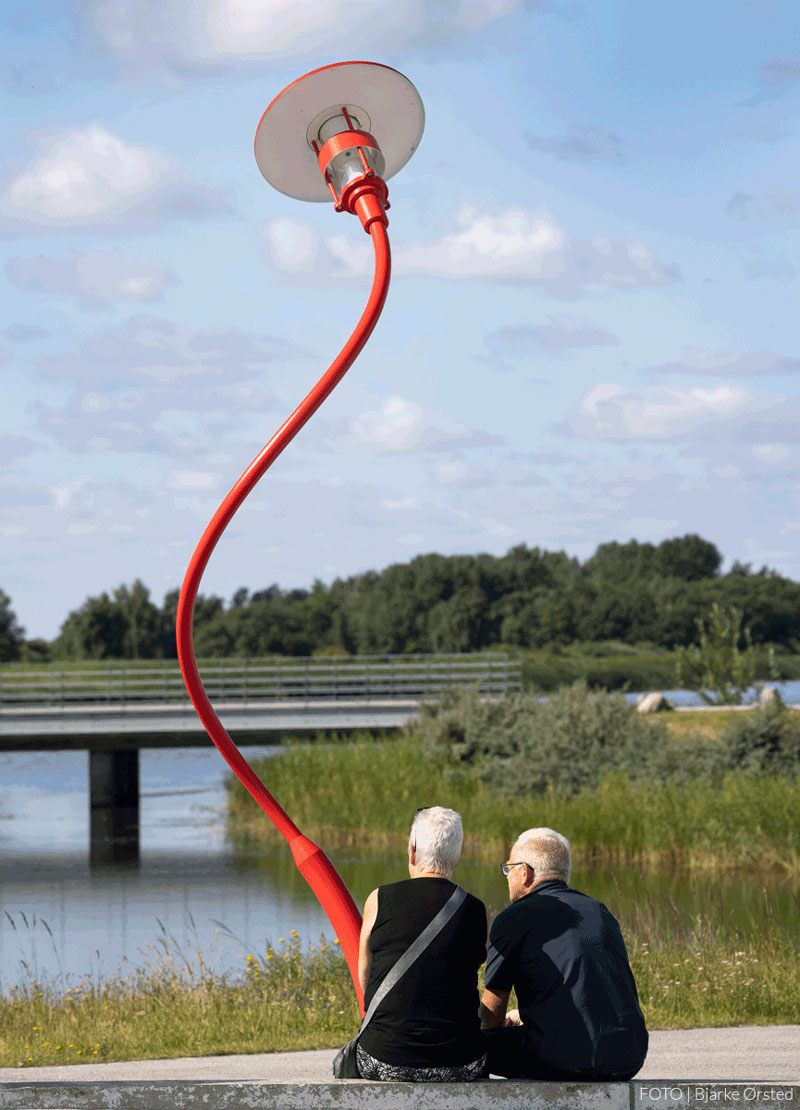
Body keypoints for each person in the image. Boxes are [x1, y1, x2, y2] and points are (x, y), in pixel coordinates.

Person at [480, 827, 648, 1080]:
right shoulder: (600, 912)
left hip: (564, 1060)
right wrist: (527, 1016)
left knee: (472, 1044)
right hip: (628, 1057)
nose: (507, 876)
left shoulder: (513, 918)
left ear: (523, 872)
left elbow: (491, 1018)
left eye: (509, 868)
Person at [355, 806, 488, 1081]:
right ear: (457, 857)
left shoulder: (379, 899)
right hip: (460, 1061)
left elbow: (365, 975)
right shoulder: (474, 909)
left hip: (382, 1057)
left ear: (412, 851)